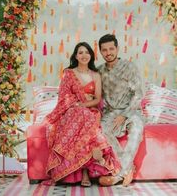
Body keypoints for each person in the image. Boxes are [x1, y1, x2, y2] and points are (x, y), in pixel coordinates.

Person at [43, 42, 120, 186]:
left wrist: (82, 104)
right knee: (80, 116)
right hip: (72, 111)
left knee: (86, 117)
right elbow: (64, 97)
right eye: (80, 52)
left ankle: (86, 172)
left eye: (87, 52)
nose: (84, 55)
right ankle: (81, 172)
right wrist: (76, 104)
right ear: (76, 56)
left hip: (90, 111)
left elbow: (97, 99)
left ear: (91, 55)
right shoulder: (69, 73)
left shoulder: (95, 75)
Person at [97, 34, 144, 186]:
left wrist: (124, 115)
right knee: (101, 130)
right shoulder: (99, 72)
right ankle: (128, 168)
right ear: (100, 52)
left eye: (111, 48)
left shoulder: (129, 67)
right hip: (110, 112)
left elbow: (138, 94)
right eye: (104, 50)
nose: (108, 52)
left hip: (131, 110)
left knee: (137, 127)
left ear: (117, 48)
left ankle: (119, 174)